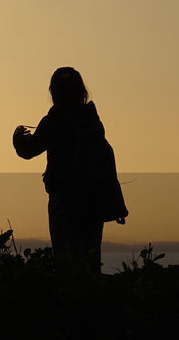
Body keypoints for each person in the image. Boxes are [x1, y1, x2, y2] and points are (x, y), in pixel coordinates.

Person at [12, 67, 127, 272]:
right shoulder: (93, 121)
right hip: (93, 199)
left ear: (53, 93)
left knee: (65, 259)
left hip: (64, 198)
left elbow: (29, 150)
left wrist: (18, 138)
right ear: (81, 91)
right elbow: (106, 162)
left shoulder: (54, 120)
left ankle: (71, 300)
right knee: (90, 257)